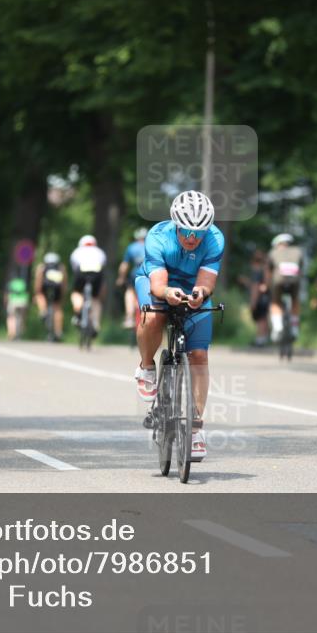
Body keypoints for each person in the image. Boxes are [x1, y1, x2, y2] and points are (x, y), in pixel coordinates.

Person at [134, 190, 224, 461]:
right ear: (176, 225)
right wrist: (167, 293)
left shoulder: (215, 239)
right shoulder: (158, 236)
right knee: (154, 317)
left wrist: (200, 294)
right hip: (157, 283)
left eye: (199, 233)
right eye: (187, 231)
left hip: (191, 287)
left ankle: (195, 429)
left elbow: (206, 282)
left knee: (199, 355)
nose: (192, 238)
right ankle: (146, 366)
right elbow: (158, 285)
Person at [265, 233, 304, 341]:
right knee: (295, 300)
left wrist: (267, 285)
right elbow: (301, 267)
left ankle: (277, 327)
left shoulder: (273, 252)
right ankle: (295, 328)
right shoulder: (297, 251)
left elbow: (268, 271)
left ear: (277, 244)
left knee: (275, 302)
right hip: (295, 280)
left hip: (279, 281)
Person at [69, 235, 107, 335]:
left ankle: (78, 311)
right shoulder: (100, 252)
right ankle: (96, 324)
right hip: (96, 273)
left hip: (81, 272)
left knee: (77, 292)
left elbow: (74, 268)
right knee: (96, 298)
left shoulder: (77, 252)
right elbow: (103, 265)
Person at [116, 228, 148, 329]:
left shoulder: (132, 247)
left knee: (129, 291)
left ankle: (129, 317)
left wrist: (121, 278)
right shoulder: (152, 245)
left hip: (136, 274)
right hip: (151, 274)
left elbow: (124, 265)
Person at [239, 248, 270, 347]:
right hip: (266, 298)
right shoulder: (265, 270)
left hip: (259, 299)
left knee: (260, 319)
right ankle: (263, 338)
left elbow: (255, 288)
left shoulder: (257, 271)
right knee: (263, 318)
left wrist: (253, 302)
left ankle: (260, 340)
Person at [34, 251, 65, 341]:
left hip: (45, 286)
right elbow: (64, 282)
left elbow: (38, 281)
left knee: (39, 295)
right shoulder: (60, 267)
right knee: (57, 308)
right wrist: (62, 294)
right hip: (57, 287)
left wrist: (37, 293)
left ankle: (43, 311)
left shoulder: (42, 267)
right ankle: (58, 331)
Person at [5, 274, 30, 340]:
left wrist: (6, 302)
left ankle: (11, 333)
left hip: (13, 301)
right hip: (23, 301)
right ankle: (19, 333)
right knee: (21, 317)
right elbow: (27, 293)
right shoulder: (23, 283)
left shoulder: (11, 283)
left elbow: (7, 293)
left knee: (11, 317)